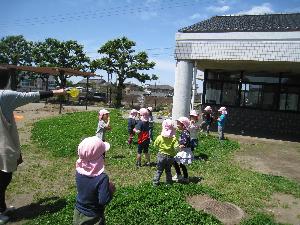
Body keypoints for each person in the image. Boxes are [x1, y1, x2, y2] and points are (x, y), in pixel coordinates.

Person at [0, 66, 66, 224]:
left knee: (3, 178)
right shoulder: (4, 95)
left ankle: (2, 208)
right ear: (7, 79)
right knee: (3, 178)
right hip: (2, 145)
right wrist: (56, 92)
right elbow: (30, 95)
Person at [73, 136, 115, 225]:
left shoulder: (79, 171)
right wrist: (111, 190)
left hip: (78, 211)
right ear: (99, 158)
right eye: (103, 154)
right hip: (93, 216)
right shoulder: (102, 178)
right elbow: (104, 200)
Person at [152, 119, 178, 186]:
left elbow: (155, 145)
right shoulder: (174, 138)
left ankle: (155, 182)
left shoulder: (160, 137)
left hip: (161, 155)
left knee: (159, 170)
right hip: (170, 157)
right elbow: (176, 147)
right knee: (168, 170)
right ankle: (169, 183)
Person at [173, 117, 193, 183]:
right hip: (185, 150)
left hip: (185, 151)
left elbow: (184, 143)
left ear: (183, 125)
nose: (177, 125)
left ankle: (180, 175)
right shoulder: (185, 132)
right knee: (181, 164)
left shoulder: (184, 133)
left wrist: (177, 147)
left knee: (175, 161)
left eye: (178, 124)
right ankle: (184, 176)